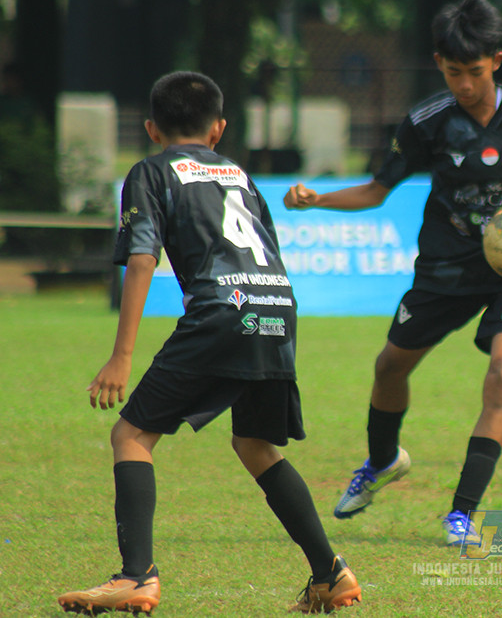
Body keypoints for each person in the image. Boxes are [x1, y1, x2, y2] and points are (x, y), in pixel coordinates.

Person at [57, 71, 361, 614]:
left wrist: (121, 354)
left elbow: (143, 257)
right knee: (255, 445)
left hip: (223, 311)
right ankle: (330, 574)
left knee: (131, 434)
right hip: (276, 308)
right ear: (218, 129)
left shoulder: (151, 172)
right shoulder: (240, 175)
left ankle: (135, 576)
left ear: (151, 128)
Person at [283, 0, 502, 546]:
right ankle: (383, 461)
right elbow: (376, 190)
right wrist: (318, 199)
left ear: (497, 61)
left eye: (475, 72)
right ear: (439, 63)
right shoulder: (425, 123)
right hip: (447, 267)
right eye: (453, 71)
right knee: (389, 367)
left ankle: (462, 513)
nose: (464, 83)